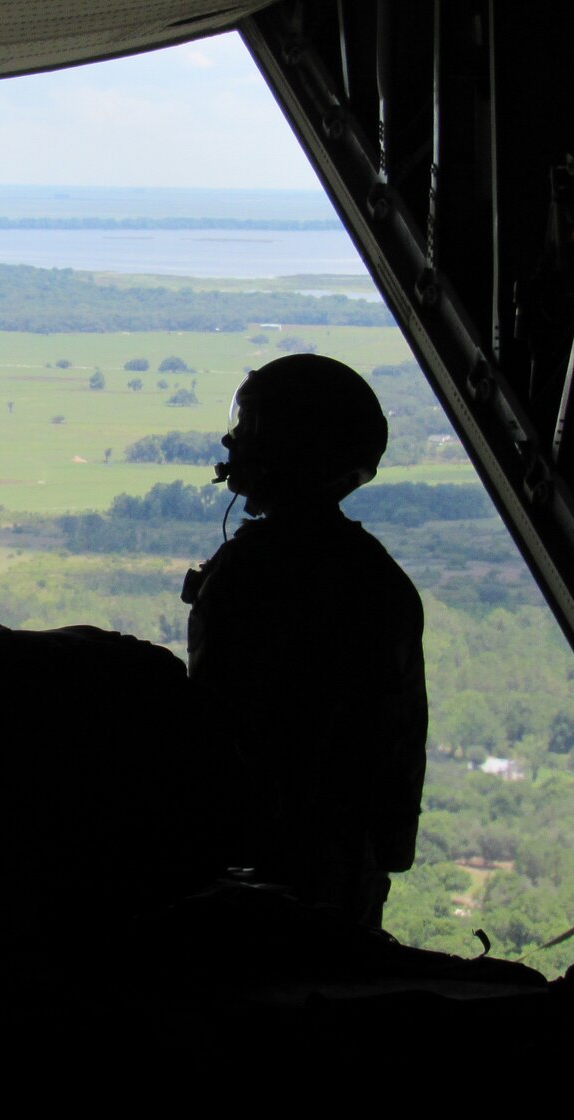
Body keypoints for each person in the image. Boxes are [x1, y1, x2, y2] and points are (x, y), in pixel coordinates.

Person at [183, 354, 427, 929]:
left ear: (288, 445)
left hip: (258, 872)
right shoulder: (376, 574)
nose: (232, 439)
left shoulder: (251, 572)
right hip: (346, 869)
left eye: (249, 428)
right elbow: (399, 738)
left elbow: (219, 728)